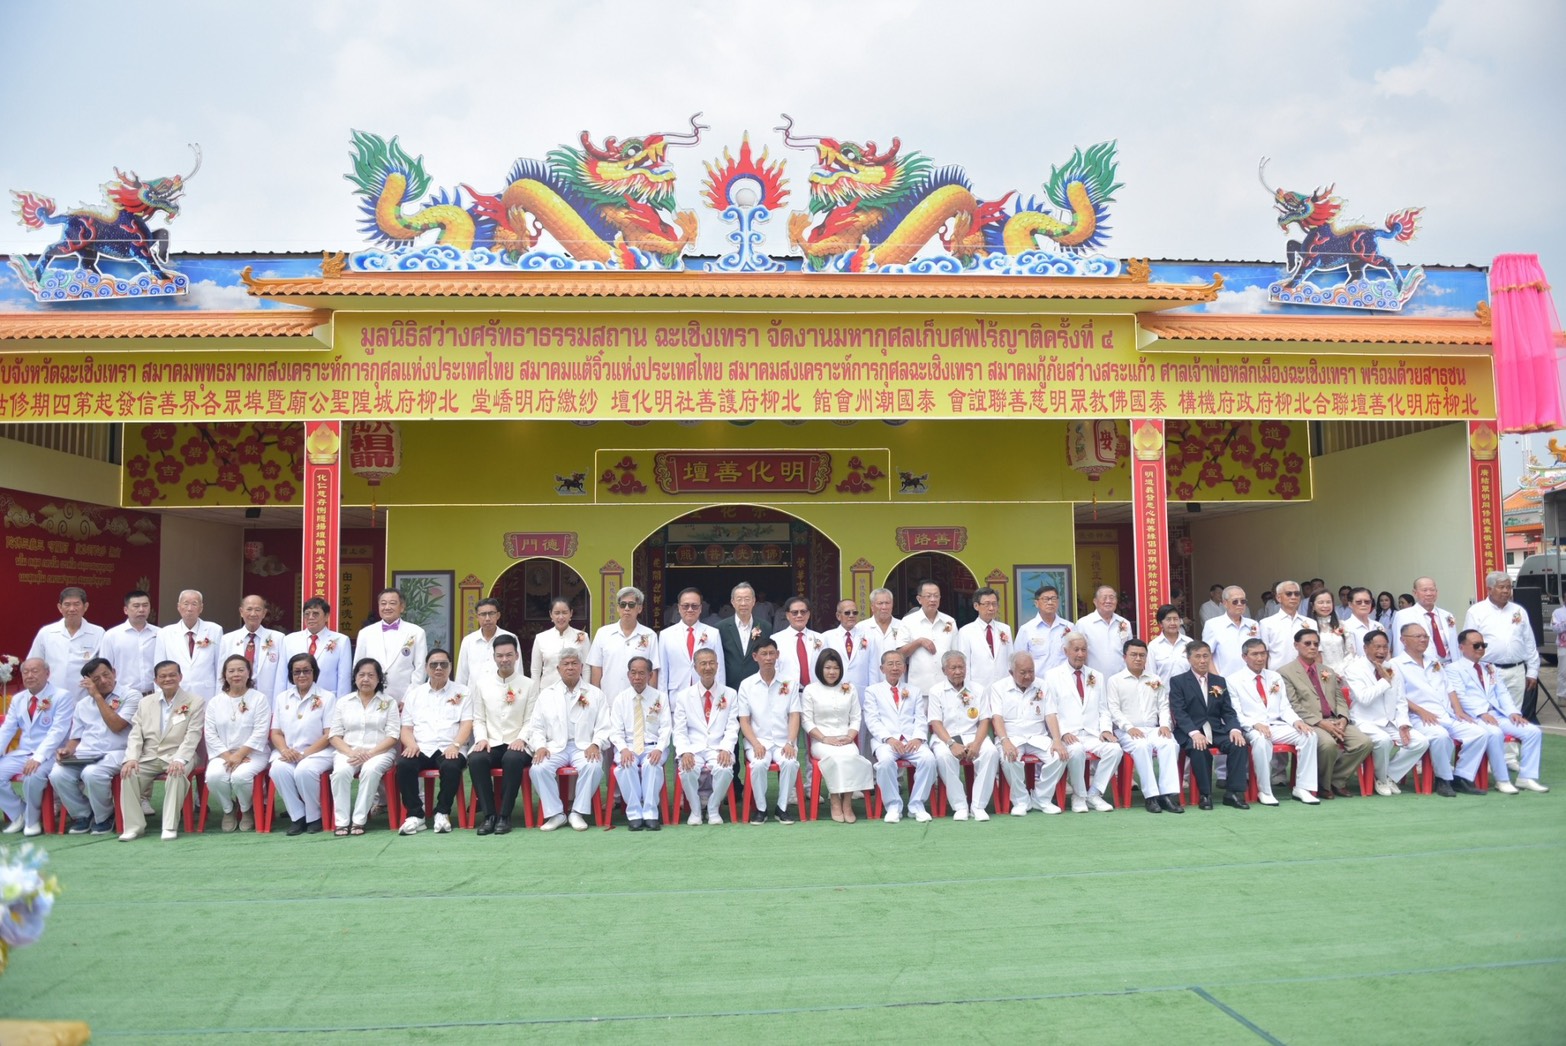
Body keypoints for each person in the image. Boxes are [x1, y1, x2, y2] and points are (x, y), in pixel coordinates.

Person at [1450, 629, 1548, 794]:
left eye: (1483, 645)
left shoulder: (1490, 667)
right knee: (1495, 734)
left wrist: (1513, 712)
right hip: (1474, 716)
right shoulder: (1453, 669)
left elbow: (1502, 693)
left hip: (1497, 714)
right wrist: (1481, 713)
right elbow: (1460, 696)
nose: (1481, 648)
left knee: (1533, 732)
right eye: (1476, 645)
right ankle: (1502, 780)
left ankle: (1527, 777)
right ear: (1462, 647)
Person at [50, 658, 141, 834]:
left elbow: (117, 726)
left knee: (92, 773)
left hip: (118, 751)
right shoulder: (82, 704)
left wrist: (98, 697)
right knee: (58, 773)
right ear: (87, 682)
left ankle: (105, 816)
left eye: (106, 675)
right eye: (96, 679)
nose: (104, 681)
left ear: (114, 672)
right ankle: (83, 814)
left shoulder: (131, 695)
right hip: (86, 753)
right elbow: (76, 738)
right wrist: (67, 750)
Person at [1278, 629, 1372, 798]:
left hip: (1335, 719)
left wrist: (1343, 718)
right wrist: (1321, 723)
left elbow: (1339, 698)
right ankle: (1323, 785)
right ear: (1296, 645)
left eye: (1316, 644)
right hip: (1310, 722)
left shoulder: (1326, 670)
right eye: (1307, 643)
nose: (1312, 647)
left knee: (1363, 742)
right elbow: (1293, 705)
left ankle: (1335, 780)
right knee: (1328, 745)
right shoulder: (1285, 672)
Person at [118, 661, 205, 841]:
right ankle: (134, 827)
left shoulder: (195, 701)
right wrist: (131, 758)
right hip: (149, 756)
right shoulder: (145, 702)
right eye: (163, 676)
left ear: (180, 677)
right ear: (156, 680)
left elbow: (193, 735)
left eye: (172, 675)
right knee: (128, 773)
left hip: (179, 754)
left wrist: (180, 759)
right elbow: (136, 733)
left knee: (176, 773)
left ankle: (169, 826)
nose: (168, 679)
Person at [1229, 639, 1320, 806]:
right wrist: (1254, 724)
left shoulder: (1274, 677)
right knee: (1261, 740)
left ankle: (1303, 788)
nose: (1260, 658)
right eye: (1254, 654)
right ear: (1244, 657)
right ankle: (1265, 790)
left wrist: (1296, 721)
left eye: (1263, 653)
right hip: (1251, 728)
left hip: (1276, 725)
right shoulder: (1233, 680)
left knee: (1309, 735)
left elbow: (1284, 707)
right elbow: (1235, 712)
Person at [526, 651, 609, 832]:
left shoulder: (595, 694)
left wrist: (596, 744)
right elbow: (536, 727)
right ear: (558, 668)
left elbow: (604, 726)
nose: (570, 667)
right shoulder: (546, 695)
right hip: (554, 747)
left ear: (581, 667)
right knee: (538, 768)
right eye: (566, 664)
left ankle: (577, 812)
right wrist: (540, 746)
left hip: (584, 747)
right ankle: (556, 813)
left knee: (593, 767)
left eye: (574, 663)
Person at [1341, 630, 1431, 796]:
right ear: (1365, 648)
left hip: (1390, 722)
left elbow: (1401, 700)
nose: (1381, 651)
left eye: (1385, 647)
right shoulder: (1354, 669)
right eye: (1377, 647)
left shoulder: (1391, 667)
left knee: (1420, 742)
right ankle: (1381, 779)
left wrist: (1403, 723)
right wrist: (1385, 681)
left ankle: (1389, 775)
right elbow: (1364, 698)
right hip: (1365, 721)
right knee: (1383, 740)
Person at [394, 649, 471, 835]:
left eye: (443, 664)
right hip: (421, 747)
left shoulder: (463, 692)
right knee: (404, 764)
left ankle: (442, 812)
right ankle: (415, 815)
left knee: (452, 766)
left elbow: (467, 724)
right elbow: (406, 728)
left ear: (450, 667)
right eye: (434, 664)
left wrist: (456, 745)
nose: (438, 668)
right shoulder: (414, 694)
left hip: (450, 746)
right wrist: (411, 744)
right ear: (426, 668)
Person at [1040, 636, 1120, 813]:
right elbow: (1050, 710)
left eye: (1083, 650)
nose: (1080, 654)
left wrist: (1106, 730)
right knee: (1076, 751)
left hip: (1092, 733)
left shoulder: (1096, 676)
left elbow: (1104, 709)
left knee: (1115, 749)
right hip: (1068, 734)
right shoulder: (1052, 676)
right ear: (1065, 651)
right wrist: (1062, 733)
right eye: (1076, 649)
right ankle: (1079, 795)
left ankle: (1094, 793)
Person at [1168, 641, 1251, 810]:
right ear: (1189, 659)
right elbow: (1179, 712)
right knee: (1199, 748)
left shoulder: (1219, 681)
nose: (1202, 660)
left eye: (1206, 656)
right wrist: (1194, 733)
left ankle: (1233, 793)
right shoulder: (1178, 681)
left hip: (1215, 729)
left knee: (1239, 744)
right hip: (1190, 731)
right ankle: (1205, 794)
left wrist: (1235, 729)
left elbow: (1228, 711)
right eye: (1197, 656)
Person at [468, 635, 535, 835]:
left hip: (518, 742)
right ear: (494, 657)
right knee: (476, 759)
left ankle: (504, 816)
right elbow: (478, 718)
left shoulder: (529, 684)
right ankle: (489, 815)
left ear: (516, 656)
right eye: (500, 656)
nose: (504, 659)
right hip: (491, 741)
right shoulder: (482, 684)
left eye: (508, 655)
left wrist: (521, 738)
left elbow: (531, 719)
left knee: (512, 759)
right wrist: (482, 739)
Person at [1106, 639, 1183, 813]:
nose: (1138, 659)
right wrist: (1128, 727)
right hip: (1127, 731)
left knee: (1170, 744)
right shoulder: (1115, 680)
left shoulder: (1155, 679)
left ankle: (1167, 795)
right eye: (1133, 655)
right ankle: (1151, 796)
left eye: (1142, 655)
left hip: (1153, 728)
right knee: (1142, 746)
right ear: (1125, 657)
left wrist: (1165, 725)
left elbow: (1163, 705)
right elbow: (1114, 709)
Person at [0, 659, 75, 836]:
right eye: (25, 672)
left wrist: (38, 757)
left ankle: (32, 820)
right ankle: (19, 814)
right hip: (24, 752)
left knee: (33, 775)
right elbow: (7, 729)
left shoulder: (62, 696)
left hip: (51, 754)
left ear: (47, 673)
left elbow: (58, 731)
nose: (29, 676)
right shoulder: (18, 699)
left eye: (35, 671)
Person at [328, 658, 401, 835]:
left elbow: (393, 736)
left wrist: (370, 753)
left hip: (380, 752)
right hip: (348, 751)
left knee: (370, 770)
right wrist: (351, 752)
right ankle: (342, 822)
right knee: (340, 772)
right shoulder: (343, 702)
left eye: (371, 675)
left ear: (379, 679)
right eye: (361, 675)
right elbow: (334, 735)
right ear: (355, 678)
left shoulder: (389, 702)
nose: (365, 679)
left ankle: (359, 821)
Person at [990, 650, 1067, 816]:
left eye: (1031, 671)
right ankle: (1021, 801)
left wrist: (1057, 740)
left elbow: (1050, 714)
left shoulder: (1042, 685)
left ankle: (1042, 798)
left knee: (1060, 756)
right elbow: (997, 718)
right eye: (1023, 672)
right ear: (1011, 672)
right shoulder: (998, 688)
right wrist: (1005, 741)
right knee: (1008, 757)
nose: (1028, 676)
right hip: (1011, 737)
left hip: (1037, 737)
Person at [863, 650, 936, 823]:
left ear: (904, 668)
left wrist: (917, 738)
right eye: (890, 664)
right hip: (886, 741)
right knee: (885, 762)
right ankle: (893, 806)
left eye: (898, 664)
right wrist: (889, 739)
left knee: (929, 759)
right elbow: (872, 720)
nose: (895, 668)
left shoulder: (914, 691)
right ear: (882, 668)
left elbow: (920, 718)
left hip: (911, 740)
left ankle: (916, 805)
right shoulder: (872, 691)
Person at [1390, 623, 1462, 797]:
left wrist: (1459, 711)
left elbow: (1449, 688)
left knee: (1479, 733)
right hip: (1417, 716)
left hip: (1446, 713)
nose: (1423, 640)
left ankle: (1464, 777)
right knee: (1440, 735)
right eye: (1418, 636)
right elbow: (1398, 695)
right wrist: (1421, 711)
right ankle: (1443, 779)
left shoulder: (1433, 660)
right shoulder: (1395, 664)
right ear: (1403, 640)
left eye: (1425, 636)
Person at [802, 649, 874, 822]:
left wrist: (850, 737)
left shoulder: (849, 688)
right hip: (821, 741)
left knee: (852, 755)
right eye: (827, 668)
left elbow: (856, 717)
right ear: (820, 668)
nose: (832, 672)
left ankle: (847, 803)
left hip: (845, 739)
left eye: (836, 668)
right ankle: (835, 800)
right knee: (835, 758)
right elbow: (806, 720)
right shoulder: (811, 690)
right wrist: (825, 739)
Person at [927, 650, 1000, 821]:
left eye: (961, 667)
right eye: (953, 668)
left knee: (991, 752)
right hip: (946, 737)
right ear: (944, 670)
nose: (958, 671)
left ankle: (978, 806)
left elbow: (984, 720)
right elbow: (936, 723)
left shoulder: (978, 689)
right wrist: (951, 744)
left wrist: (977, 743)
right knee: (944, 756)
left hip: (973, 735)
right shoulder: (936, 691)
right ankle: (960, 805)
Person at [269, 652, 336, 836]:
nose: (301, 675)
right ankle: (297, 816)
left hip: (318, 752)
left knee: (304, 770)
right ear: (291, 674)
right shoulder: (282, 698)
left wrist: (304, 754)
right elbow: (276, 733)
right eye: (296, 672)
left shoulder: (327, 697)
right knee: (278, 769)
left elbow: (329, 734)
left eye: (306, 671)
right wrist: (284, 750)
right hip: (289, 751)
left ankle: (314, 816)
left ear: (314, 672)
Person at [736, 637, 802, 824]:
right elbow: (744, 720)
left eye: (772, 653)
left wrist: (790, 742)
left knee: (790, 763)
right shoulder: (747, 685)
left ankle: (782, 808)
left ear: (777, 655)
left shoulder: (789, 683)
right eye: (763, 654)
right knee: (758, 764)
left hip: (783, 741)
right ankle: (761, 808)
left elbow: (794, 715)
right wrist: (755, 743)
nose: (768, 658)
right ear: (755, 657)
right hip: (758, 741)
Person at [672, 648, 740, 825]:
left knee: (725, 769)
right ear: (695, 667)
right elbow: (679, 729)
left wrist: (726, 748)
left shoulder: (730, 694)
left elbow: (732, 726)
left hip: (717, 747)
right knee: (687, 769)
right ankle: (695, 810)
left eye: (711, 663)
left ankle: (713, 808)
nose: (708, 667)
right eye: (703, 664)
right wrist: (685, 751)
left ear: (717, 665)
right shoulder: (684, 696)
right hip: (693, 747)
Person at [203, 654, 270, 832]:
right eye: (231, 671)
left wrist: (240, 755)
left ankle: (246, 809)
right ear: (225, 675)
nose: (236, 674)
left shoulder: (259, 699)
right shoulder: (215, 702)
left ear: (248, 673)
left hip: (253, 753)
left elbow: (260, 732)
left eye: (241, 670)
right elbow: (210, 734)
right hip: (223, 754)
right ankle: (228, 809)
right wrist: (229, 757)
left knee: (240, 777)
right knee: (214, 776)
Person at [1463, 571, 1540, 726]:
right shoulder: (1476, 611)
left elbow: (1529, 642)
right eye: (1501, 587)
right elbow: (1468, 644)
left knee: (1515, 713)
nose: (1506, 591)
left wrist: (1532, 671)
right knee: (1491, 712)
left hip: (1516, 671)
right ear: (1489, 589)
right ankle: (1496, 742)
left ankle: (1512, 743)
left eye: (1509, 587)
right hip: (1488, 669)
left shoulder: (1518, 611)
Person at [609, 656, 669, 831]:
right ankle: (634, 813)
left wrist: (659, 749)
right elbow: (615, 731)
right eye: (633, 673)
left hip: (653, 745)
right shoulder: (620, 699)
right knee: (626, 765)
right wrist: (623, 749)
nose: (637, 677)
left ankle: (650, 813)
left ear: (650, 675)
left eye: (642, 673)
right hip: (628, 746)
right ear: (628, 675)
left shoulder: (660, 697)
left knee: (652, 765)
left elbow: (666, 728)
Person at [587, 585, 660, 705]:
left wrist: (652, 701)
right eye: (623, 604)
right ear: (617, 608)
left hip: (640, 702)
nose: (626, 608)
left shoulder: (649, 635)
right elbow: (596, 668)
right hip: (609, 699)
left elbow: (653, 671)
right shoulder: (603, 633)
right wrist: (596, 699)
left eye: (631, 605)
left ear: (639, 608)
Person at [27, 586, 103, 699]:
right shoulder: (46, 633)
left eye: (77, 604)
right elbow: (33, 665)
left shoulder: (98, 633)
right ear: (60, 607)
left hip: (85, 698)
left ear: (85, 606)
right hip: (51, 698)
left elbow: (104, 667)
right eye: (67, 604)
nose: (72, 609)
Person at [354, 588, 428, 703]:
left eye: (392, 603)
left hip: (404, 698)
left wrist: (409, 698)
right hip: (372, 696)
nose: (387, 607)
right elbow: (358, 666)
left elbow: (420, 668)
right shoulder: (365, 633)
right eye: (383, 603)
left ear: (402, 607)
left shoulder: (416, 632)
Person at [153, 589, 224, 699]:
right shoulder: (165, 633)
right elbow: (159, 667)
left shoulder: (214, 630)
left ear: (201, 608)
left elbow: (220, 666)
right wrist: (161, 696)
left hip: (206, 693)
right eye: (186, 604)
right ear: (178, 607)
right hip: (176, 693)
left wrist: (219, 696)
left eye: (194, 604)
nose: (189, 608)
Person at [658, 588, 726, 698]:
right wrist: (663, 701)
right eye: (685, 606)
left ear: (700, 608)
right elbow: (663, 672)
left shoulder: (713, 633)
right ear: (679, 608)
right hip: (676, 694)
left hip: (706, 694)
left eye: (694, 606)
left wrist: (720, 698)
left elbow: (719, 669)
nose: (690, 610)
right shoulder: (666, 635)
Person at [283, 597, 354, 698]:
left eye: (315, 614)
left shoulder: (341, 640)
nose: (311, 617)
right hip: (295, 697)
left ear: (326, 616)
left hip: (326, 699)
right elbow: (282, 674)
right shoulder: (289, 640)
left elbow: (344, 677)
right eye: (307, 614)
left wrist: (342, 704)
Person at [222, 595, 286, 701]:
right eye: (249, 609)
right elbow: (221, 674)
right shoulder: (227, 639)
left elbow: (281, 676)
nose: (253, 614)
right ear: (241, 612)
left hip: (267, 698)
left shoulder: (278, 638)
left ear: (264, 613)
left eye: (257, 610)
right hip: (235, 697)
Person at [98, 589, 158, 696]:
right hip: (123, 696)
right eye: (136, 606)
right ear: (126, 610)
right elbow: (104, 668)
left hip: (153, 695)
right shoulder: (112, 635)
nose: (141, 609)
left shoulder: (160, 633)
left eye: (145, 605)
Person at [902, 580, 957, 696]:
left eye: (936, 596)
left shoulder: (949, 621)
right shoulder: (908, 621)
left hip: (946, 686)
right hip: (919, 688)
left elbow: (956, 653)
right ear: (919, 599)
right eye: (928, 596)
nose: (933, 599)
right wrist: (918, 642)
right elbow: (900, 654)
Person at [529, 597, 592, 699]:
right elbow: (535, 671)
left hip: (575, 693)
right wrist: (535, 697)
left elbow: (586, 669)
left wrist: (585, 694)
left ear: (571, 613)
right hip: (547, 693)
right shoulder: (541, 638)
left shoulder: (582, 636)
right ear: (551, 614)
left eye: (565, 612)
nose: (561, 617)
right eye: (557, 613)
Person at [454, 597, 519, 690]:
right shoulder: (468, 641)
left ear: (498, 615)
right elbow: (462, 674)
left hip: (502, 693)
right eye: (483, 614)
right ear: (477, 617)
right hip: (474, 695)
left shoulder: (511, 638)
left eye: (491, 613)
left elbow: (518, 669)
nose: (487, 618)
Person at [955, 586, 1012, 692]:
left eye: (994, 604)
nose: (991, 608)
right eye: (986, 604)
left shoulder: (1005, 629)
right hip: (978, 688)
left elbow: (1010, 660)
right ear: (976, 606)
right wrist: (967, 691)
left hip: (1003, 687)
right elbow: (964, 664)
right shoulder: (966, 631)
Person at [1392, 577, 1458, 662]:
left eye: (1432, 590)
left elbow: (1454, 645)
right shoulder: (1403, 615)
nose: (1429, 593)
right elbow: (1399, 646)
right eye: (1424, 590)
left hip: (1450, 665)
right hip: (1421, 665)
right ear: (1415, 593)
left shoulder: (1447, 615)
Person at [718, 582, 770, 691]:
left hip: (758, 687)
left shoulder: (765, 627)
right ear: (732, 602)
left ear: (754, 601)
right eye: (739, 599)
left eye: (747, 599)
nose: (743, 603)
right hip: (730, 687)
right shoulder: (720, 628)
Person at [860, 588, 915, 687]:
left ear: (892, 605)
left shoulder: (902, 626)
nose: (884, 607)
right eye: (880, 603)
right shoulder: (861, 628)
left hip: (898, 682)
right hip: (871, 681)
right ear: (872, 606)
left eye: (887, 603)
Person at [1074, 585, 1132, 677]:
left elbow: (1130, 651)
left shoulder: (1124, 623)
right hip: (1092, 677)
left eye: (1112, 598)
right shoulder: (1083, 624)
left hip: (1121, 678)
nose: (1108, 601)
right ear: (1095, 602)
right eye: (1104, 598)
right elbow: (1077, 652)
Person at [1202, 585, 1259, 678]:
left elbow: (1259, 652)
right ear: (1225, 603)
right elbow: (1206, 655)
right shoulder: (1213, 625)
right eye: (1235, 601)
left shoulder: (1253, 624)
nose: (1240, 604)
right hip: (1225, 679)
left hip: (1251, 679)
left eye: (1243, 601)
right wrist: (1218, 680)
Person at [1016, 585, 1072, 677]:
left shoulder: (1069, 627)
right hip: (1037, 681)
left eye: (1053, 599)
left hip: (1064, 680)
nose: (1050, 602)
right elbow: (1018, 659)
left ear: (1058, 602)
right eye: (1045, 599)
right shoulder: (1026, 629)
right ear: (1036, 603)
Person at [1259, 580, 1314, 671]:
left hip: (1305, 674)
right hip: (1277, 674)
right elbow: (1264, 654)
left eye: (1297, 594)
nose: (1293, 597)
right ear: (1278, 598)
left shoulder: (1311, 623)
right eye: (1289, 594)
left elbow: (1316, 653)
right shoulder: (1266, 624)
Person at [821, 598, 872, 693]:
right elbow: (821, 666)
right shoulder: (826, 637)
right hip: (835, 689)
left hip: (861, 690)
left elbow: (873, 667)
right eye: (847, 613)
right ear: (838, 616)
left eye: (855, 613)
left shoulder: (869, 636)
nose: (851, 616)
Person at [772, 596, 825, 686]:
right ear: (787, 615)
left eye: (803, 612)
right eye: (794, 612)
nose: (799, 615)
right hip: (786, 690)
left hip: (815, 690)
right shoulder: (776, 639)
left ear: (808, 614)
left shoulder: (820, 638)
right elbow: (773, 668)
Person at [1305, 591, 1351, 673]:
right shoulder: (1307, 626)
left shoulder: (1342, 625)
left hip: (1344, 672)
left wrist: (1341, 671)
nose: (1325, 606)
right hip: (1321, 673)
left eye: (1328, 602)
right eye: (1321, 602)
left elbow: (1350, 652)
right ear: (1313, 606)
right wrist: (1327, 673)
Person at [1146, 605, 1192, 684]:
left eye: (1176, 619)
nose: (1173, 623)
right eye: (1168, 619)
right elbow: (1151, 675)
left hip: (1188, 690)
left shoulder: (1189, 642)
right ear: (1160, 623)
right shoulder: (1153, 646)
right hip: (1164, 691)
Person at [1340, 588, 1380, 660]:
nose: (1363, 604)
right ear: (1350, 604)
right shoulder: (1344, 627)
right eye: (1359, 602)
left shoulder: (1378, 626)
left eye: (1367, 602)